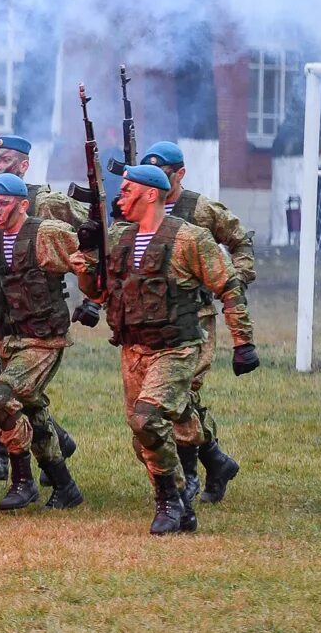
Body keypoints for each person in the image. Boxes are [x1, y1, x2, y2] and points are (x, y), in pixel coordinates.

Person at [83, 164, 242, 535]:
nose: (119, 196)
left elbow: (228, 286)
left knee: (146, 419)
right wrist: (86, 261)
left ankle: (170, 500)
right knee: (144, 440)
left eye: (127, 190)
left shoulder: (190, 238)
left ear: (150, 194)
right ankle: (184, 502)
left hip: (176, 347)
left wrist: (243, 342)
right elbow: (100, 292)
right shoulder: (121, 238)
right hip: (133, 349)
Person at [0, 173, 88, 511]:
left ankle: (22, 481)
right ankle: (65, 486)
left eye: (4, 203)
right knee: (34, 413)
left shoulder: (47, 233)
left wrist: (93, 294)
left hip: (42, 340)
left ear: (23, 204)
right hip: (5, 340)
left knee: (0, 399)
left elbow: (93, 261)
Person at [136, 141, 259, 502]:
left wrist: (235, 277)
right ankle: (216, 459)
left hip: (196, 318)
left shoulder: (200, 209)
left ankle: (188, 476)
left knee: (177, 393)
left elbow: (240, 240)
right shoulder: (140, 206)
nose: (158, 184)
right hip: (153, 319)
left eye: (166, 176)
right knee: (164, 397)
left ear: (181, 174)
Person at [0, 133, 83, 481]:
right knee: (13, 387)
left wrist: (91, 297)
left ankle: (1, 454)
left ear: (24, 165)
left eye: (6, 160)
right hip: (2, 319)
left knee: (0, 382)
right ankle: (56, 443)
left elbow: (89, 241)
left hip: (37, 319)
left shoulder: (44, 202)